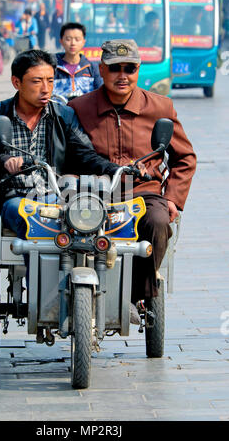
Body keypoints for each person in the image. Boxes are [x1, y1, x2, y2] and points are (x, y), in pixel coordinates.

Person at [0, 49, 121, 301]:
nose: (46, 88)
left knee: (97, 216)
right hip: (12, 197)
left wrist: (113, 169)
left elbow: (85, 153)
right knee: (31, 217)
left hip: (56, 195)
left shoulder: (63, 115)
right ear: (16, 82)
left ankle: (100, 295)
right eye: (36, 81)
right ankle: (44, 297)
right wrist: (4, 160)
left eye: (50, 81)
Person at [69, 39, 197, 311]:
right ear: (101, 70)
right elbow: (69, 156)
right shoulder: (79, 108)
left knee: (158, 221)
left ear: (138, 70)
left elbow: (184, 157)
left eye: (130, 68)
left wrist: (172, 198)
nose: (123, 76)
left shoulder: (161, 108)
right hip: (93, 195)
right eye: (115, 68)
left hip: (143, 193)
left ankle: (141, 294)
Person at [53, 22, 103, 101]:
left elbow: (101, 95)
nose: (73, 43)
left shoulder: (92, 68)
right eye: (68, 39)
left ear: (83, 41)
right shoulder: (52, 67)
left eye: (77, 39)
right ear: (61, 41)